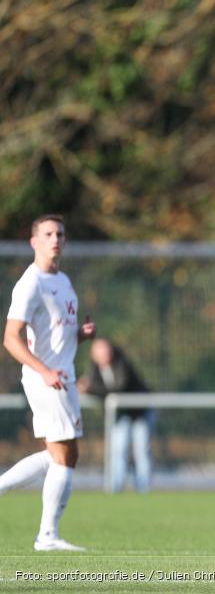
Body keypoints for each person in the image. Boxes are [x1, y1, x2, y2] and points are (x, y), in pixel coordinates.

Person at [0, 214, 95, 551]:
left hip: (59, 375)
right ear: (34, 242)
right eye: (48, 234)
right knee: (66, 454)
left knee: (58, 453)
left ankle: (42, 529)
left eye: (60, 234)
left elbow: (56, 334)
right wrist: (44, 371)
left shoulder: (64, 281)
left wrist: (80, 336)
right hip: (48, 379)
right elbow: (11, 338)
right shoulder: (31, 283)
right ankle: (48, 536)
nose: (55, 239)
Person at [78, 338, 153, 493]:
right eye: (99, 353)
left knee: (142, 450)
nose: (104, 355)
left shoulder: (121, 363)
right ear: (93, 355)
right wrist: (87, 387)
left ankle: (143, 488)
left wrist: (91, 389)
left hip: (139, 412)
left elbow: (119, 388)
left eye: (106, 351)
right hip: (120, 416)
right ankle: (115, 488)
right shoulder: (94, 370)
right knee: (119, 449)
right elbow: (99, 389)